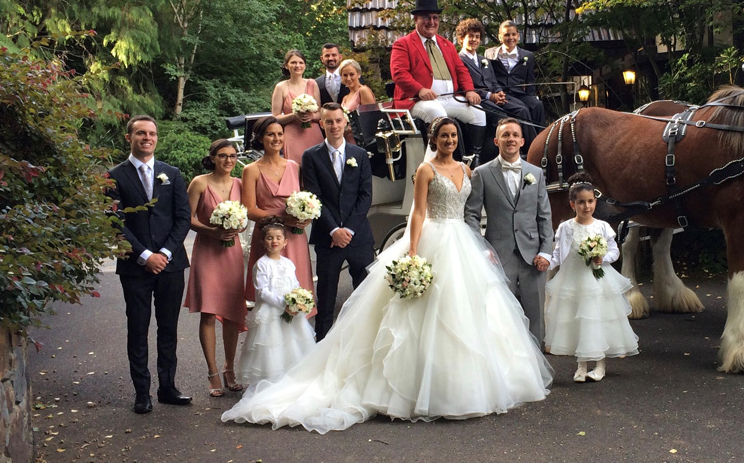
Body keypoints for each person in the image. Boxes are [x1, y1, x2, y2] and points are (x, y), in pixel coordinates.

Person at [222, 117, 552, 433]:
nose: (449, 141)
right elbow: (419, 211)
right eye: (443, 136)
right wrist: (412, 250)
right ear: (433, 140)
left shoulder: (467, 169)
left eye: (453, 136)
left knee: (471, 312)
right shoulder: (426, 169)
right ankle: (417, 387)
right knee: (421, 316)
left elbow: (470, 211)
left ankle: (472, 383)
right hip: (432, 239)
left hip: (462, 243)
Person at [107, 115, 192, 414]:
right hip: (135, 266)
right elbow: (114, 221)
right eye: (141, 133)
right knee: (138, 328)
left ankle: (168, 387)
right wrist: (145, 255)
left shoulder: (173, 173)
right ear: (128, 137)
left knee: (168, 328)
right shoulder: (113, 176)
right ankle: (142, 393)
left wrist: (165, 253)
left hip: (171, 265)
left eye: (152, 133)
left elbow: (183, 218)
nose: (147, 138)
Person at [463, 117, 554, 344]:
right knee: (501, 314)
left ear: (522, 141)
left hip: (533, 255)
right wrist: (482, 249)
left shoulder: (536, 173)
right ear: (496, 140)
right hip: (498, 255)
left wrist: (546, 251)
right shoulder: (482, 173)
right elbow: (471, 215)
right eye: (505, 135)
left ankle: (537, 371)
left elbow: (544, 215)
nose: (510, 139)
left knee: (536, 315)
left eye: (514, 135)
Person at [545, 174, 638, 383]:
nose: (586, 206)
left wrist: (602, 258)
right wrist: (546, 264)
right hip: (573, 279)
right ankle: (581, 366)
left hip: (597, 281)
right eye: (581, 202)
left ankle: (600, 364)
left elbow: (615, 252)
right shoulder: (566, 227)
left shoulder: (602, 227)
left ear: (595, 202)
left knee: (597, 319)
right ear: (572, 204)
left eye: (590, 202)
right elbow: (559, 254)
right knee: (578, 321)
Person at [300, 103, 377, 341]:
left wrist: (348, 230)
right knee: (326, 300)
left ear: (345, 123)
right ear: (321, 124)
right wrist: (334, 230)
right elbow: (315, 197)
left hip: (359, 238)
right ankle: (320, 347)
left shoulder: (360, 155)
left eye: (338, 120)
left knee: (366, 297)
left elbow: (366, 196)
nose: (334, 126)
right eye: (329, 122)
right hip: (328, 238)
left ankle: (364, 344)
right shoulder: (311, 156)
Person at [184, 139, 248, 397]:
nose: (228, 161)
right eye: (222, 156)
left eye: (232, 156)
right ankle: (212, 371)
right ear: (212, 157)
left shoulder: (241, 184)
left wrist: (236, 227)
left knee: (233, 312)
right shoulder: (199, 182)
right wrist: (212, 231)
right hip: (207, 251)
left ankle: (229, 368)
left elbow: (244, 217)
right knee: (208, 312)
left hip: (232, 252)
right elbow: (187, 218)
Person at [389, 0, 485, 157]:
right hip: (417, 101)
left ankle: (471, 161)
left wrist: (469, 90)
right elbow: (398, 73)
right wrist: (419, 90)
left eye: (435, 18)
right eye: (426, 17)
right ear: (416, 19)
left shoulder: (446, 44)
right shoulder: (403, 44)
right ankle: (434, 166)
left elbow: (461, 70)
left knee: (479, 114)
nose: (431, 22)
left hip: (449, 98)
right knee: (437, 114)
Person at [240, 117, 315, 317]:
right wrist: (282, 220)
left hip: (294, 236)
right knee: (271, 290)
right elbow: (249, 209)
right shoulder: (251, 170)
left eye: (280, 134)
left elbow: (305, 199)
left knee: (297, 287)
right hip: (267, 236)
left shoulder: (294, 166)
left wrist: (307, 215)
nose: (276, 138)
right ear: (260, 138)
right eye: (271, 134)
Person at [237, 218, 316, 385]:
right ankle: (272, 380)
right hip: (271, 310)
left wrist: (298, 300)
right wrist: (283, 304)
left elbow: (294, 284)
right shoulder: (262, 264)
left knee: (292, 343)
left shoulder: (288, 263)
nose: (274, 241)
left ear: (285, 242)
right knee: (273, 346)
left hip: (290, 311)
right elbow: (262, 291)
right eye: (270, 238)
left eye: (278, 238)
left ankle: (292, 379)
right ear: (263, 241)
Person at [455, 17, 532, 161]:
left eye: (477, 37)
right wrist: (490, 95)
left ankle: (530, 149)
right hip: (478, 99)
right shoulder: (459, 60)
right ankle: (502, 153)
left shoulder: (483, 59)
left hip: (494, 97)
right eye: (470, 37)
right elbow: (465, 86)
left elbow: (493, 81)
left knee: (522, 110)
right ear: (461, 39)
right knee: (503, 117)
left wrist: (499, 92)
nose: (474, 40)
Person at [484, 20, 544, 127]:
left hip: (519, 93)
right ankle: (528, 142)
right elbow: (488, 77)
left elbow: (530, 81)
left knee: (537, 105)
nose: (511, 38)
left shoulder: (528, 55)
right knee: (522, 110)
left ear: (518, 36)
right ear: (500, 37)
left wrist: (532, 98)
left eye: (513, 34)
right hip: (501, 94)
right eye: (507, 34)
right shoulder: (489, 54)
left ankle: (541, 140)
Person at [271, 49, 324, 164]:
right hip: (292, 135)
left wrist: (311, 116)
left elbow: (320, 113)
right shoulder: (281, 87)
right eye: (293, 62)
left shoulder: (312, 84)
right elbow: (275, 117)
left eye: (301, 62)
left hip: (313, 133)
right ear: (286, 66)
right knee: (296, 168)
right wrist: (294, 116)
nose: (297, 66)